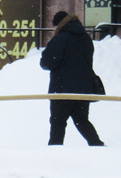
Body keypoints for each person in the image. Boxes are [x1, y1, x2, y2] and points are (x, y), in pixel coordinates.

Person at [39, 10, 104, 146]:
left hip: (62, 90)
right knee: (82, 121)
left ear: (59, 24)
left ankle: (54, 154)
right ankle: (98, 145)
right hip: (83, 90)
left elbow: (47, 62)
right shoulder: (86, 38)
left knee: (58, 124)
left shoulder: (61, 38)